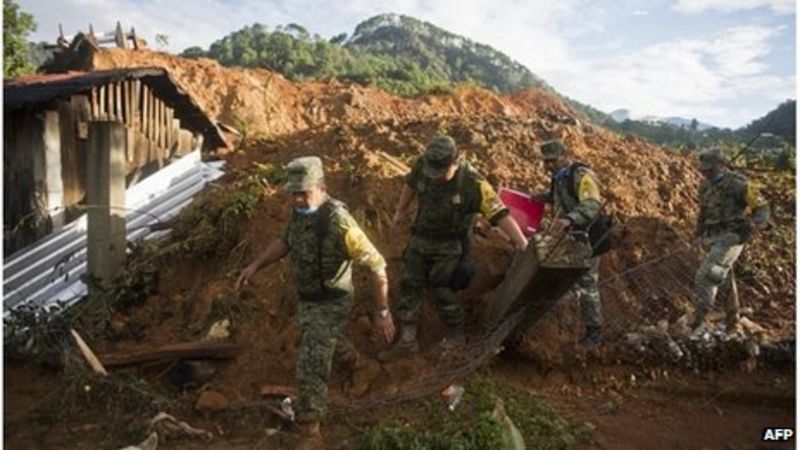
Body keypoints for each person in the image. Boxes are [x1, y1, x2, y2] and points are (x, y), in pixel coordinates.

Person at [235, 156, 394, 447]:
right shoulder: (300, 213)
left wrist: (382, 311)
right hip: (309, 300)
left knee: (311, 362)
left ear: (321, 187)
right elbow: (285, 241)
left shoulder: (339, 222)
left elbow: (377, 265)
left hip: (333, 300)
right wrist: (256, 265)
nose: (297, 199)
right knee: (322, 337)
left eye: (304, 193)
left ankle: (310, 429)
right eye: (293, 194)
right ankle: (360, 365)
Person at [378, 135, 528, 361]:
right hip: (421, 238)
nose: (435, 178)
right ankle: (407, 340)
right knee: (410, 283)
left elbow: (500, 215)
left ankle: (456, 337)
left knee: (442, 289)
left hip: (451, 245)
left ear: (455, 162)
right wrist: (400, 211)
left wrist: (522, 243)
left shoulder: (474, 184)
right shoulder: (424, 165)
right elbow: (411, 184)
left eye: (441, 173)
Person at [531, 139, 605, 348]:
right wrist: (541, 198)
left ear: (565, 155)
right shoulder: (559, 177)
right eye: (545, 162)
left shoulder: (581, 175)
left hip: (588, 237)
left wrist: (570, 219)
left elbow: (591, 204)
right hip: (570, 237)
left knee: (587, 284)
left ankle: (594, 332)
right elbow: (559, 199)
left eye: (552, 161)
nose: (548, 166)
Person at [692, 147, 769, 334]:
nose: (705, 172)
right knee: (723, 278)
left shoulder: (738, 184)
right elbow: (704, 212)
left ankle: (699, 322)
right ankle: (732, 323)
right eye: (703, 169)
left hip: (732, 237)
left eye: (710, 169)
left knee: (707, 275)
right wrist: (698, 232)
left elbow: (761, 206)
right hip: (712, 237)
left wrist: (757, 224)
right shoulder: (705, 186)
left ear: (721, 165)